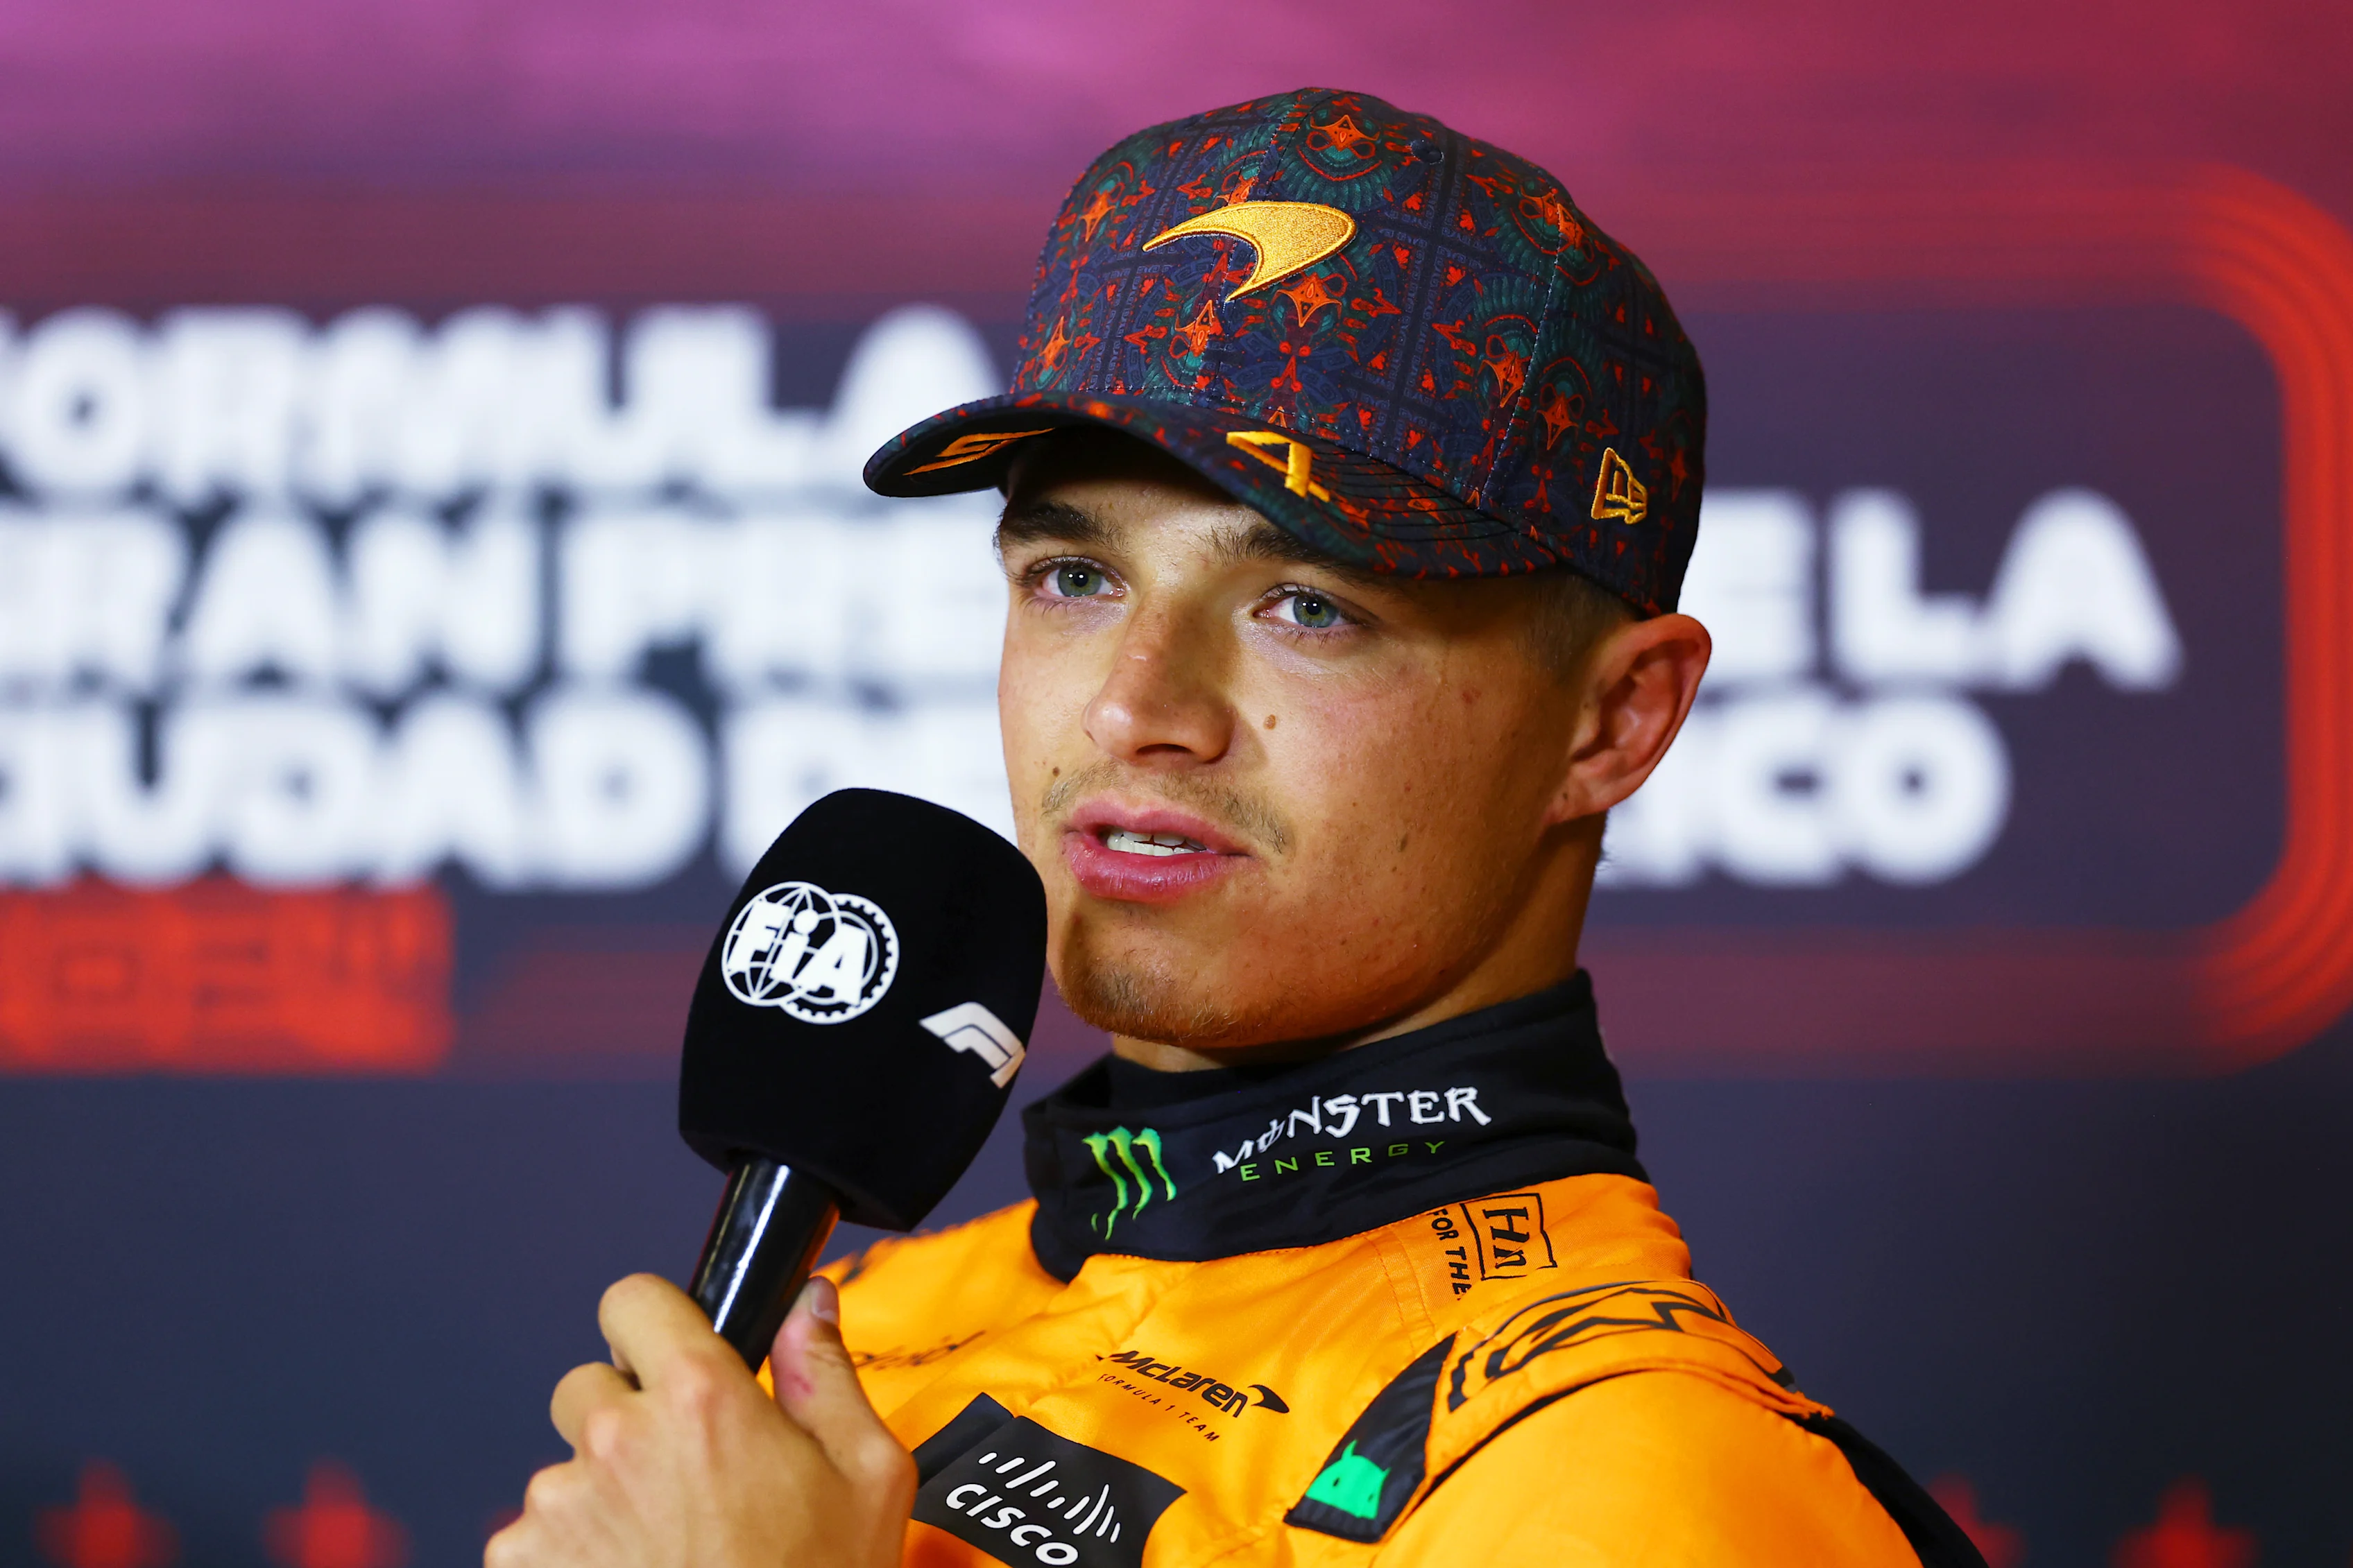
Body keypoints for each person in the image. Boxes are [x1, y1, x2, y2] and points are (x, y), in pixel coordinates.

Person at [488, 89, 1983, 1568]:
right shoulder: (849, 1335)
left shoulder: (1642, 1490)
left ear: (1611, 724)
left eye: (1307, 606)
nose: (1138, 705)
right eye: (1076, 577)